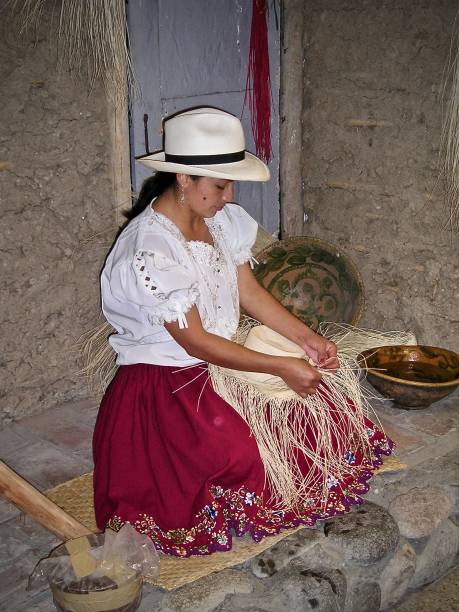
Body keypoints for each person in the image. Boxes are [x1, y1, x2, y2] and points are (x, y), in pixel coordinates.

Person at [93, 107, 392, 557]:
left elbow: (247, 292)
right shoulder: (151, 251)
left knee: (325, 404)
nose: (229, 195)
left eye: (230, 184)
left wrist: (304, 339)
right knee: (243, 456)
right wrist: (279, 365)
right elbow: (193, 341)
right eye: (219, 185)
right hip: (168, 385)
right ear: (183, 178)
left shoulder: (218, 220)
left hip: (219, 358)